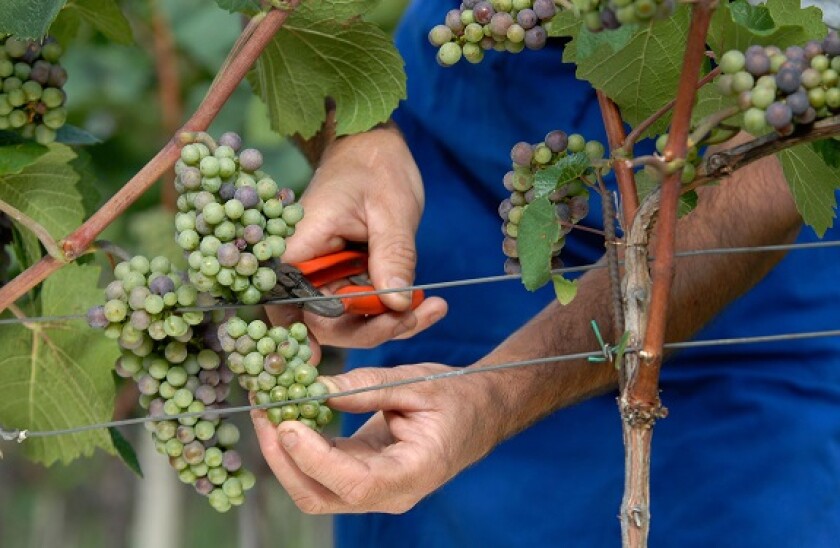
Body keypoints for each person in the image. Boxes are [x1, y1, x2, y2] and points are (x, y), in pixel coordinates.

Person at [255, 2, 840, 546]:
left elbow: (780, 144)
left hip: (736, 314)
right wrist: (356, 136)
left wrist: (495, 396)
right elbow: (283, 16)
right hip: (445, 178)